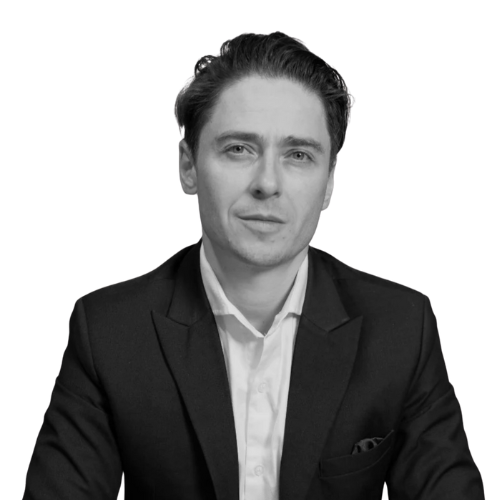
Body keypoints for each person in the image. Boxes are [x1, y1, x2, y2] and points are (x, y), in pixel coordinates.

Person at [24, 31, 484, 499]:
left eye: (298, 155)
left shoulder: (401, 328)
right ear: (187, 166)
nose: (267, 183)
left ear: (330, 182)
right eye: (239, 149)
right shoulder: (109, 332)